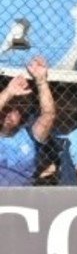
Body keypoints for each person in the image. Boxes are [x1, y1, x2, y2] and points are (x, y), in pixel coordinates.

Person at [0, 57, 55, 187]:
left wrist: (41, 81)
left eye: (15, 110)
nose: (9, 114)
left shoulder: (28, 136)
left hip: (21, 199)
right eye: (6, 109)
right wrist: (8, 92)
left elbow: (49, 115)